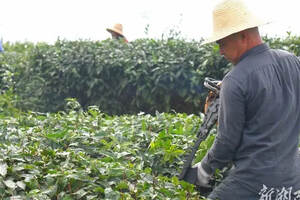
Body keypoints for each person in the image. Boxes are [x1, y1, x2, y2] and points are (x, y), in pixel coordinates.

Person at [193, 0, 300, 199]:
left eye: (222, 43)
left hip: (254, 183)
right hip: (294, 180)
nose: (221, 51)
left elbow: (226, 143)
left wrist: (204, 169)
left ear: (242, 36)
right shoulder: (291, 61)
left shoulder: (235, 80)